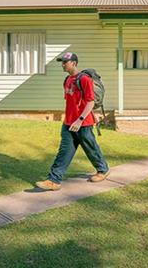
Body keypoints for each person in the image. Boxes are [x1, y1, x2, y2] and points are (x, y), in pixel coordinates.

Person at [35, 52, 110, 191]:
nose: (63, 65)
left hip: (83, 123)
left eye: (65, 62)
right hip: (69, 122)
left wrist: (80, 120)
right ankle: (54, 180)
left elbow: (90, 102)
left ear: (74, 63)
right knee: (64, 151)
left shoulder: (84, 79)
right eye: (62, 62)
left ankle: (103, 170)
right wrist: (69, 120)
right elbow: (71, 103)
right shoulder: (67, 80)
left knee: (90, 148)